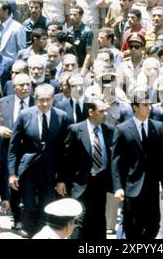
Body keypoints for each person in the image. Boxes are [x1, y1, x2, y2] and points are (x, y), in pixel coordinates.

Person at [8, 84, 69, 237]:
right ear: (36, 100)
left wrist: (61, 179)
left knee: (46, 208)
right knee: (29, 207)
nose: (44, 104)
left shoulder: (62, 117)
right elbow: (13, 147)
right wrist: (12, 174)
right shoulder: (24, 115)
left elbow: (65, 151)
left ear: (53, 99)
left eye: (48, 100)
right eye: (41, 100)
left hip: (50, 172)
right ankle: (30, 233)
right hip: (28, 170)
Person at [111, 88, 163, 240]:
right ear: (135, 107)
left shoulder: (157, 127)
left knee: (154, 225)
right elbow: (116, 161)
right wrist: (118, 187)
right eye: (144, 105)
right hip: (131, 187)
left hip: (151, 187)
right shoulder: (122, 129)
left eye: (149, 104)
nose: (149, 108)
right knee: (132, 227)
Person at [62, 97, 114, 240]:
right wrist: (61, 180)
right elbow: (66, 158)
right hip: (80, 182)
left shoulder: (108, 129)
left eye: (106, 111)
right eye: (101, 111)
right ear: (91, 112)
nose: (105, 114)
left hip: (100, 182)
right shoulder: (76, 130)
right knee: (80, 218)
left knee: (98, 218)